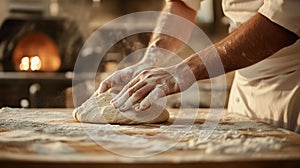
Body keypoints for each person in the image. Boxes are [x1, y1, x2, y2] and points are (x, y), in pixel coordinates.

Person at [91, 0, 300, 132]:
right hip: (244, 89)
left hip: (293, 86)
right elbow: (183, 4)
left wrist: (185, 70)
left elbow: (284, 20)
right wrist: (150, 58)